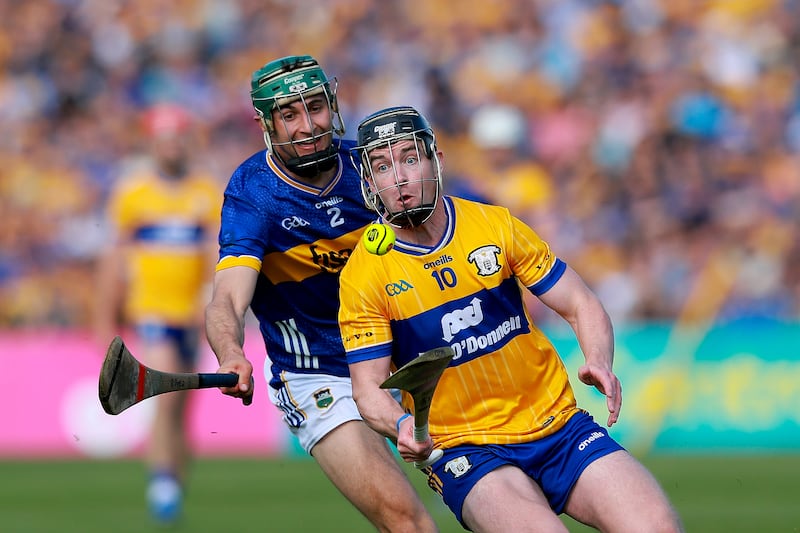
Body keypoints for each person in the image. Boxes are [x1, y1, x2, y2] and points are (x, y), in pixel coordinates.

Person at [338, 106, 685, 533]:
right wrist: (403, 425)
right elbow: (367, 389)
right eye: (382, 166)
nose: (400, 177)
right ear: (369, 182)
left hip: (558, 427)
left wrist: (598, 359)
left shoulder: (493, 224)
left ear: (436, 161)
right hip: (468, 449)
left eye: (410, 158)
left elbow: (580, 302)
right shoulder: (364, 275)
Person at [203, 56, 438, 532]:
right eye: (290, 114)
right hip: (317, 376)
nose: (308, 125)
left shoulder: (369, 169)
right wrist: (231, 352)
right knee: (406, 521)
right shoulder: (254, 193)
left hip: (399, 361)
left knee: (488, 490)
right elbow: (227, 297)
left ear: (334, 105)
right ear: (267, 123)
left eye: (316, 107)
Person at [94, 103, 222, 524]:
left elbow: (214, 258)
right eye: (164, 139)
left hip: (191, 317)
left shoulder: (204, 192)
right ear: (152, 144)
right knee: (164, 392)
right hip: (152, 312)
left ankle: (174, 489)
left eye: (178, 137)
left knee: (184, 408)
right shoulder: (133, 193)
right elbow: (113, 261)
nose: (172, 146)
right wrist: (104, 318)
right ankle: (162, 481)